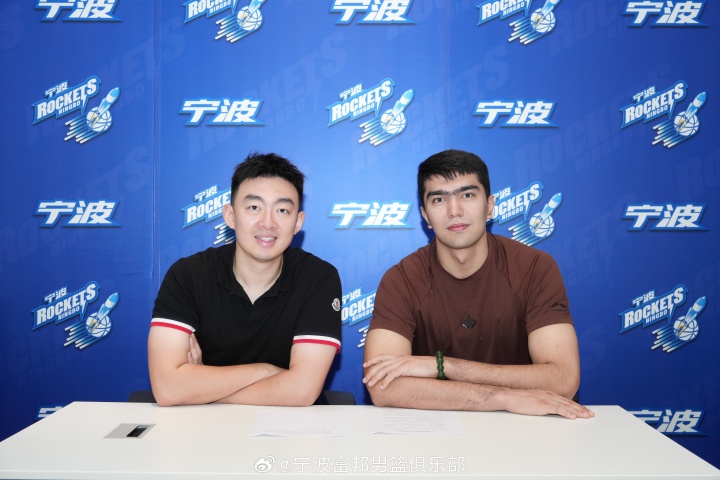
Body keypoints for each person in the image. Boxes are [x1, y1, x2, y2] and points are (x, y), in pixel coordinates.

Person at [363, 149, 593, 420]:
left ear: (490, 205)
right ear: (425, 215)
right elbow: (382, 387)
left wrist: (444, 366)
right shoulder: (401, 279)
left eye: (468, 195)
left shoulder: (535, 268)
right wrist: (502, 398)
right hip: (439, 430)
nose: (454, 211)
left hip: (525, 428)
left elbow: (563, 379)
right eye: (439, 199)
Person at [148, 152, 342, 407]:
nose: (268, 223)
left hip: (290, 427)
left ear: (298, 222)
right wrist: (265, 371)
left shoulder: (318, 278)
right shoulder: (188, 275)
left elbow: (302, 391)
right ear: (230, 216)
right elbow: (168, 388)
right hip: (203, 425)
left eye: (282, 210)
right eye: (254, 208)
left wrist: (199, 390)